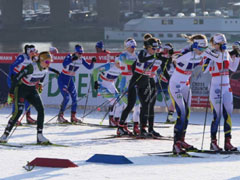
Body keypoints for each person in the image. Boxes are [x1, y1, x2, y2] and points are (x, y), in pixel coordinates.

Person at [118, 37, 169, 137]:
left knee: (147, 106)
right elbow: (139, 61)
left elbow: (165, 72)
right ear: (148, 47)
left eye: (157, 48)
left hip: (146, 81)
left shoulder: (158, 57)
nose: (156, 50)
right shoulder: (143, 52)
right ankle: (120, 126)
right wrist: (135, 76)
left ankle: (146, 129)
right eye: (154, 49)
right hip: (136, 80)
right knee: (130, 104)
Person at [0, 51, 53, 144]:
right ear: (41, 60)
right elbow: (16, 78)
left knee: (41, 109)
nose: (49, 64)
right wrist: (11, 93)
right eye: (47, 62)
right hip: (21, 89)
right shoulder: (31, 67)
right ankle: (4, 135)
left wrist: (40, 84)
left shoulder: (45, 68)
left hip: (32, 90)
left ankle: (40, 136)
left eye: (50, 62)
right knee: (19, 111)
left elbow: (43, 76)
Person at [169, 34, 208, 154]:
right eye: (201, 48)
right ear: (195, 46)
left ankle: (182, 140)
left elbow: (206, 65)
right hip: (175, 85)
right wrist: (190, 56)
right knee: (182, 113)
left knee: (187, 113)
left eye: (205, 48)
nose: (203, 51)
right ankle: (176, 143)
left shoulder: (200, 53)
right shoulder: (188, 51)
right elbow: (176, 59)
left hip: (185, 85)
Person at [202, 34, 239, 151]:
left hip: (226, 86)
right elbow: (204, 70)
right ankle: (213, 142)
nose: (223, 46)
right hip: (216, 86)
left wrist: (237, 56)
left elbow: (232, 68)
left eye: (224, 44)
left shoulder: (226, 53)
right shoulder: (212, 54)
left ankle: (228, 142)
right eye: (220, 44)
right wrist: (208, 60)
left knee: (228, 115)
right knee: (217, 116)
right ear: (215, 45)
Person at [57, 44, 96, 123]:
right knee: (67, 97)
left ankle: (73, 117)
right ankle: (60, 116)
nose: (80, 55)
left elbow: (89, 67)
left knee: (75, 98)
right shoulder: (69, 56)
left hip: (70, 80)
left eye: (81, 53)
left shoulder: (81, 59)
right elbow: (64, 64)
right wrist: (72, 59)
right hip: (62, 79)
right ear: (75, 52)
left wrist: (93, 62)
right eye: (79, 53)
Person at [8, 44, 38, 125]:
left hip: (23, 80)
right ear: (28, 51)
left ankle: (28, 117)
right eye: (32, 51)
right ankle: (14, 117)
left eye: (34, 51)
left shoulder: (33, 59)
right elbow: (12, 66)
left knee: (28, 98)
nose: (34, 53)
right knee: (16, 98)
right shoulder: (22, 57)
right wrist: (13, 76)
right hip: (14, 79)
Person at [116, 38, 140, 135]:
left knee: (138, 105)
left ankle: (136, 126)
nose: (133, 48)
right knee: (126, 106)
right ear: (127, 47)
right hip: (125, 81)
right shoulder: (123, 55)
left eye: (134, 46)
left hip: (135, 81)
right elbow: (126, 62)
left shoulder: (137, 55)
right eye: (131, 47)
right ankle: (122, 127)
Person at [93, 57, 123, 125]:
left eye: (121, 64)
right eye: (118, 63)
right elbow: (95, 71)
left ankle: (115, 119)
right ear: (115, 62)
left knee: (121, 103)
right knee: (115, 102)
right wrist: (95, 82)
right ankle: (112, 120)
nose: (120, 65)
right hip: (102, 86)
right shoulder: (108, 66)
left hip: (111, 85)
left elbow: (121, 79)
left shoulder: (122, 68)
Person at [155, 43, 176, 124]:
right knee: (150, 99)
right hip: (159, 82)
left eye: (167, 50)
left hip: (169, 82)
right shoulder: (159, 58)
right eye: (164, 50)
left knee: (172, 100)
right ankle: (138, 116)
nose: (166, 52)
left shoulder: (173, 60)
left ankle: (170, 116)